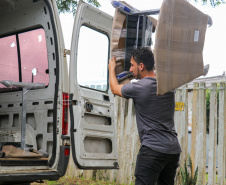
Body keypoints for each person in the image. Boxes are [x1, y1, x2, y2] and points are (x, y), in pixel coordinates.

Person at [108, 47, 181, 185]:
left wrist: (112, 69)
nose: (130, 69)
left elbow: (114, 88)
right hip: (172, 151)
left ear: (141, 66)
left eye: (132, 65)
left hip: (152, 150)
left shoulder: (138, 87)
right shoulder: (167, 87)